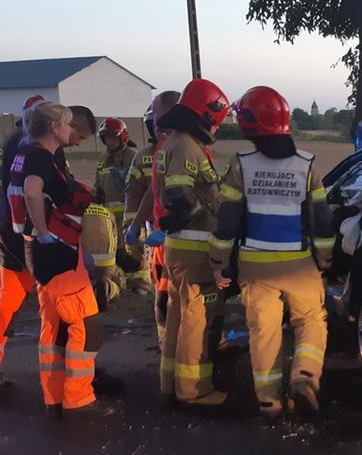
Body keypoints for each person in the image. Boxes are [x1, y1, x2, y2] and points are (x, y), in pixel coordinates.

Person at [209, 86, 334, 418]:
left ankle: (269, 403)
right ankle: (305, 377)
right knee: (310, 321)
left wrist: (220, 263)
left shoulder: (241, 165)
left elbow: (228, 220)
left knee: (263, 332)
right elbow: (321, 220)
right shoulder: (308, 165)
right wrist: (324, 261)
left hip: (255, 265)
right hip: (299, 263)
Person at [0, 102, 94, 397]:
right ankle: (70, 385)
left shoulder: (17, 141)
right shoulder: (43, 152)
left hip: (9, 230)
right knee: (62, 312)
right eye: (79, 133)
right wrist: (44, 233)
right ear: (64, 125)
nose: (78, 140)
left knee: (8, 300)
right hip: (32, 238)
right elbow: (35, 192)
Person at [17, 102, 110, 418]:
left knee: (55, 328)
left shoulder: (37, 154)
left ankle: (55, 397)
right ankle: (79, 400)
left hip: (43, 252)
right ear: (55, 126)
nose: (73, 130)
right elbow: (32, 192)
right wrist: (44, 231)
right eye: (69, 124)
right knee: (86, 325)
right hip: (56, 252)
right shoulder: (40, 158)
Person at [155, 79, 231, 406]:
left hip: (180, 247)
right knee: (197, 318)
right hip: (195, 248)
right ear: (206, 114)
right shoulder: (186, 146)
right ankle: (193, 390)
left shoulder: (176, 143)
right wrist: (209, 210)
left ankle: (170, 383)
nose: (217, 126)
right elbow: (180, 194)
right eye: (217, 119)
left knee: (177, 315)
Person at [124, 91, 182, 346]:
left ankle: (187, 348)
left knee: (190, 300)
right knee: (163, 296)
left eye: (158, 118)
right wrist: (135, 224)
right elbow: (151, 190)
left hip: (184, 238)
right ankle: (167, 345)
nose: (156, 125)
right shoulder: (157, 152)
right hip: (162, 239)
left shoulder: (185, 149)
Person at [93, 117, 137, 229]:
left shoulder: (132, 156)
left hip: (128, 215)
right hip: (108, 215)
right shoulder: (103, 158)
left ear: (122, 137)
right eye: (107, 138)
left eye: (113, 137)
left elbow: (138, 186)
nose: (110, 141)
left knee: (131, 246)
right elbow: (98, 181)